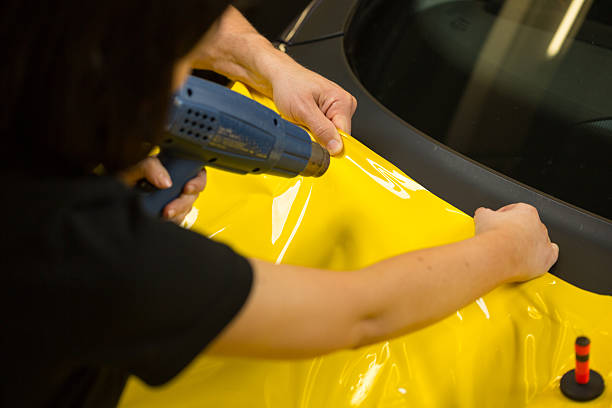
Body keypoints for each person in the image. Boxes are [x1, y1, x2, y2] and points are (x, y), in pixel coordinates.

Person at [0, 1, 559, 407]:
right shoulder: (77, 251)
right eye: (179, 57)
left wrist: (273, 67)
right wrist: (508, 249)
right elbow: (363, 311)